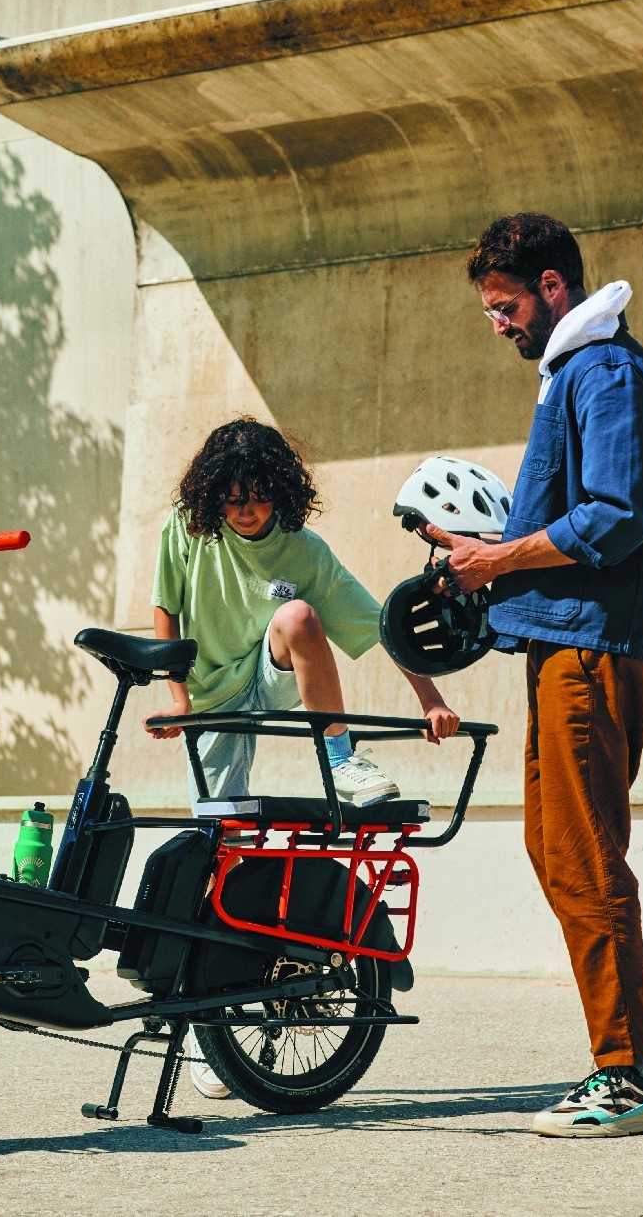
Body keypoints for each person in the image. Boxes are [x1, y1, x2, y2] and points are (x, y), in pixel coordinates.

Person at [421, 213, 643, 1138]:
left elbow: (618, 515)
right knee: (557, 845)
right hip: (573, 644)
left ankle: (629, 1076)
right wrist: (483, 551)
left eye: (504, 307)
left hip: (597, 647)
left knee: (582, 853)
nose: (497, 324)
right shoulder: (579, 372)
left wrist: (497, 562)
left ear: (551, 286)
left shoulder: (604, 372)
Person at [145, 417, 461, 1100]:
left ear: (279, 491)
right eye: (230, 499)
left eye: (256, 495)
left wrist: (431, 698)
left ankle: (341, 757)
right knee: (218, 846)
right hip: (208, 694)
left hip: (271, 671)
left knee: (298, 618)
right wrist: (177, 700)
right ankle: (214, 1017)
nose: (244, 510)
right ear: (210, 500)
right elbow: (164, 609)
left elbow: (377, 626)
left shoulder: (303, 553)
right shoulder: (188, 530)